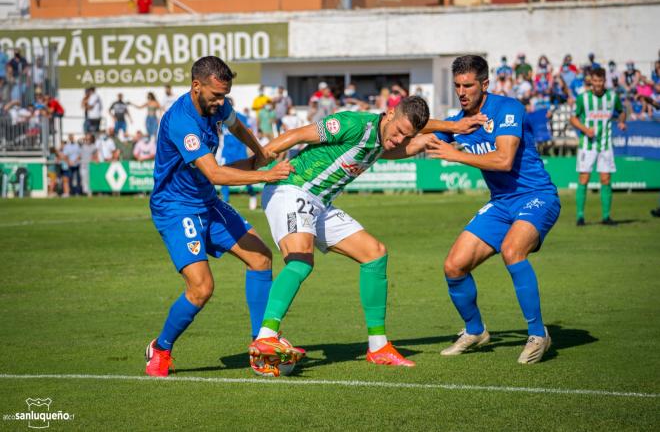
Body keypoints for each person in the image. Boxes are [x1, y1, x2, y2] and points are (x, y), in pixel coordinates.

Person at [246, 95, 485, 375]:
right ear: (389, 113)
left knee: (375, 254)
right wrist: (259, 169)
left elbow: (395, 147)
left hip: (319, 203)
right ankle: (265, 337)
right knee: (300, 260)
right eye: (398, 132)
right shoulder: (353, 124)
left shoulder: (384, 138)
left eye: (406, 136)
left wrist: (448, 129)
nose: (398, 140)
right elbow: (298, 134)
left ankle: (378, 347)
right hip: (291, 189)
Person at [144, 56, 293, 377]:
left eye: (224, 95)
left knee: (261, 258)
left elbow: (237, 124)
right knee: (201, 288)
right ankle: (161, 348)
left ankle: (261, 344)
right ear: (196, 86)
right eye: (215, 95)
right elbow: (214, 173)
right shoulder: (182, 121)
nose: (221, 102)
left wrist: (261, 151)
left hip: (206, 201)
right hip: (176, 207)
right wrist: (265, 173)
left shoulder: (216, 105)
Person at [424, 55, 559, 364]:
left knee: (513, 250)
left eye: (468, 85)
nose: (462, 91)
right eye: (457, 85)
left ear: (484, 84)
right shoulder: (459, 121)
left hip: (536, 196)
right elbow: (417, 141)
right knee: (454, 266)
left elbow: (503, 160)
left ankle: (538, 334)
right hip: (501, 204)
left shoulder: (508, 108)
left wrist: (453, 154)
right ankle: (475, 331)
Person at [570, 67, 626, 226]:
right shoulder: (583, 98)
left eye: (600, 81)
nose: (598, 84)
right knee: (584, 178)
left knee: (605, 179)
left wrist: (621, 121)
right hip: (587, 145)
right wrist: (585, 130)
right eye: (595, 81)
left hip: (605, 144)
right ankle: (580, 216)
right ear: (591, 81)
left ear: (604, 81)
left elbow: (621, 111)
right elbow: (573, 119)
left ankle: (606, 216)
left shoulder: (612, 97)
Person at [215, 97, 258, 210]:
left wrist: (252, 148)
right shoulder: (219, 119)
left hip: (239, 151)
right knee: (224, 175)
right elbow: (218, 132)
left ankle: (252, 194)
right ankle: (226, 201)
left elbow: (249, 132)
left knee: (246, 176)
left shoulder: (241, 117)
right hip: (226, 152)